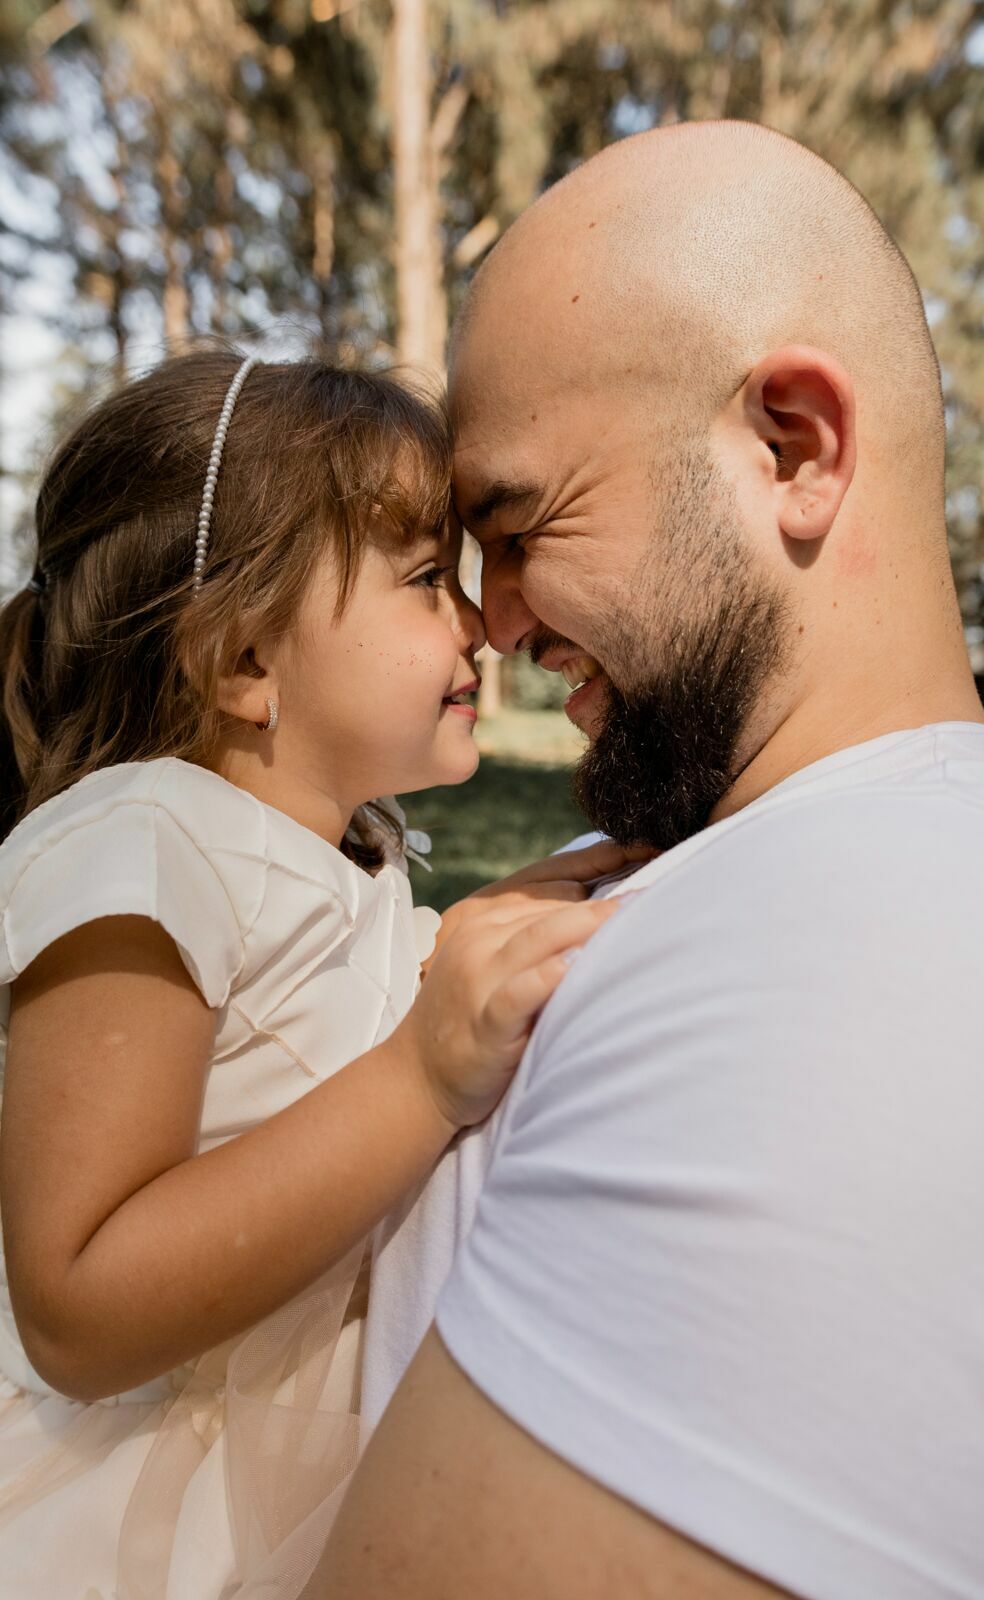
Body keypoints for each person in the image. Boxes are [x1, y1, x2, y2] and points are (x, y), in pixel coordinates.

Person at [308, 121, 984, 1598]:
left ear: (790, 446)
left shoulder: (848, 973)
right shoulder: (787, 865)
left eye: (518, 524)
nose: (497, 624)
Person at [0, 349, 641, 1598]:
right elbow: (76, 1301)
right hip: (121, 1537)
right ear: (242, 659)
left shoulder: (346, 866)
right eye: (422, 580)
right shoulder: (138, 840)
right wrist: (420, 1076)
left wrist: (487, 926)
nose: (475, 621)